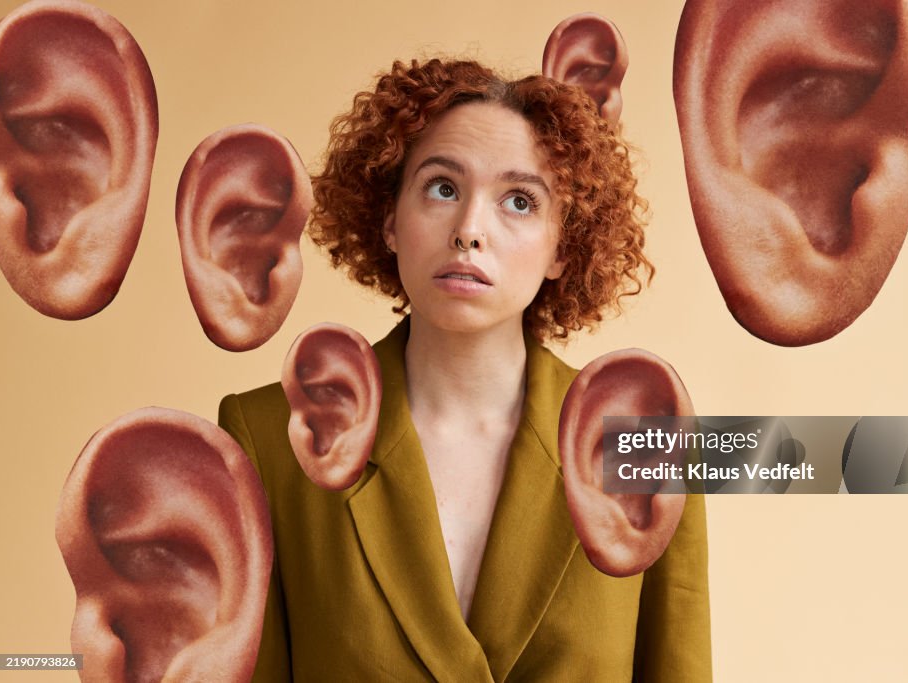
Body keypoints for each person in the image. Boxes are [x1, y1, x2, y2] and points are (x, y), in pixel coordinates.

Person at [219, 57, 711, 681]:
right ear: (390, 219)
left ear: (564, 246)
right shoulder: (267, 439)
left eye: (520, 201)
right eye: (443, 188)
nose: (469, 231)